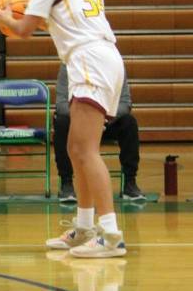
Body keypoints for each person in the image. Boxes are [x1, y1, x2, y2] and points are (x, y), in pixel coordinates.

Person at [0, 0, 126, 258]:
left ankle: (111, 235)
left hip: (88, 60)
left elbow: (23, 30)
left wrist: (5, 17)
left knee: (85, 151)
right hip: (102, 57)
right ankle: (84, 227)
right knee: (75, 148)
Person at [53, 63, 145, 203]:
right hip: (79, 122)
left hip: (107, 122)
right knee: (61, 122)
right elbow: (61, 105)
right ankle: (66, 183)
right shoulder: (69, 65)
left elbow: (125, 103)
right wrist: (87, 117)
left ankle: (130, 182)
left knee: (129, 122)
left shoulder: (114, 63)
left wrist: (102, 117)